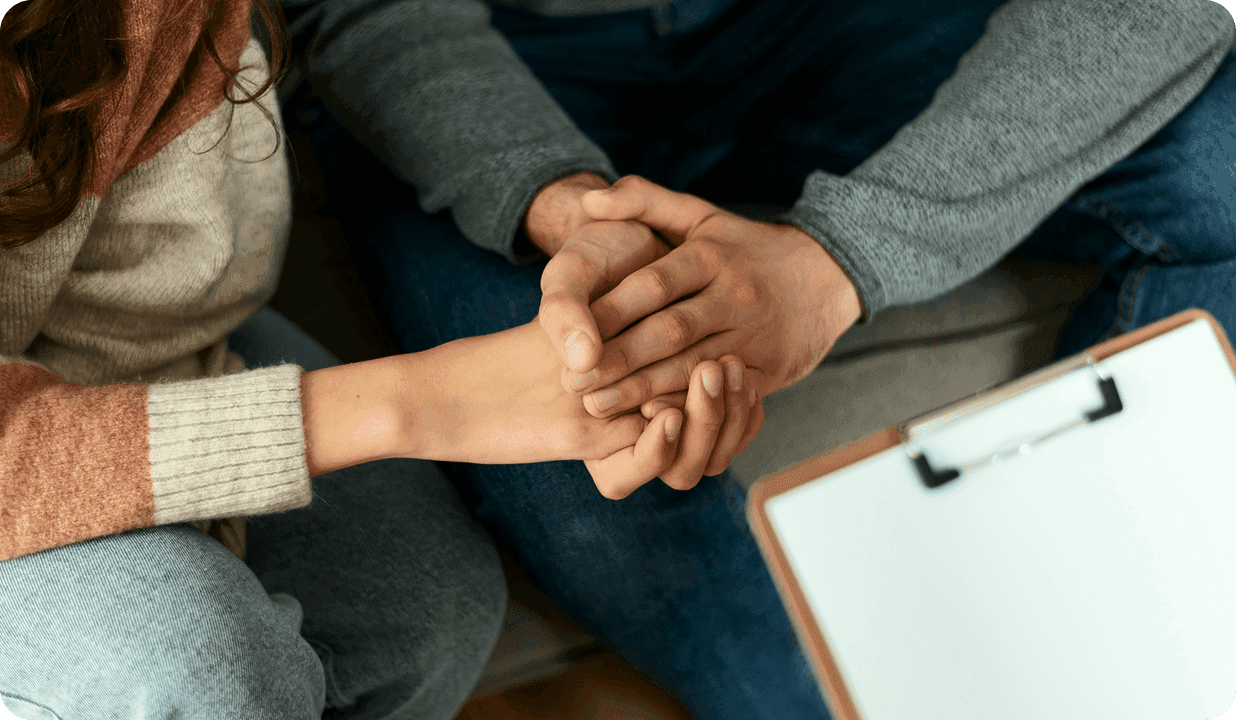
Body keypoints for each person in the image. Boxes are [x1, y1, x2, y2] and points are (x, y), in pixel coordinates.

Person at [279, 0, 1236, 717]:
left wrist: (837, 264)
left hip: (824, 24)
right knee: (596, 416)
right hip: (480, 49)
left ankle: (1144, 654)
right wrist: (564, 204)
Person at [0, 1, 747, 718]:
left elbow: (361, 8)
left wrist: (567, 204)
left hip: (137, 324)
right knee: (202, 671)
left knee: (428, 610)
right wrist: (417, 403)